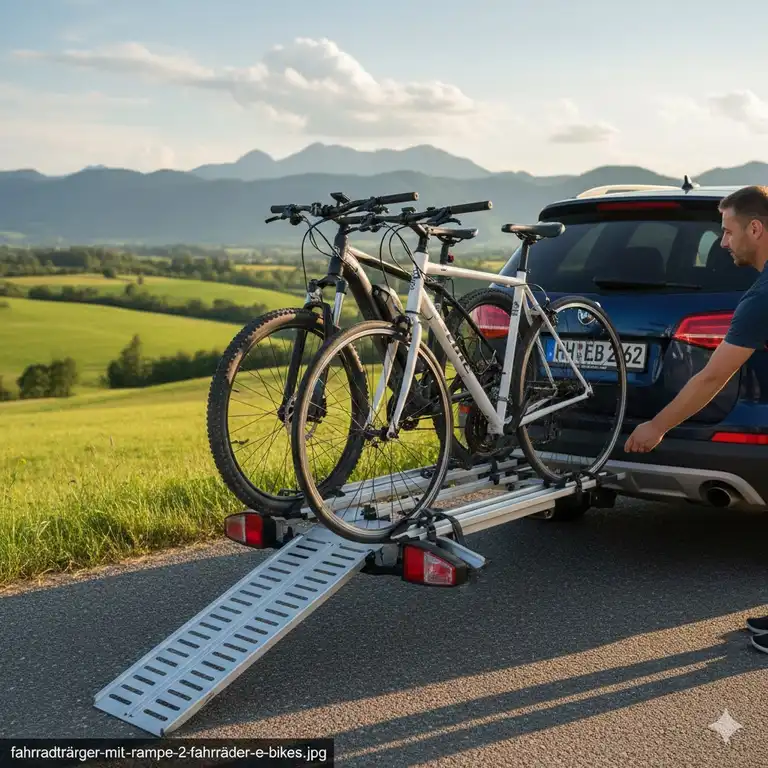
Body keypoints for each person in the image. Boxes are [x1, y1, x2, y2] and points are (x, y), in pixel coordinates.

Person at [623, 184, 768, 653]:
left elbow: (713, 378)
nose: (722, 243)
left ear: (756, 228)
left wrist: (656, 426)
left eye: (727, 232)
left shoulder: (761, 298)